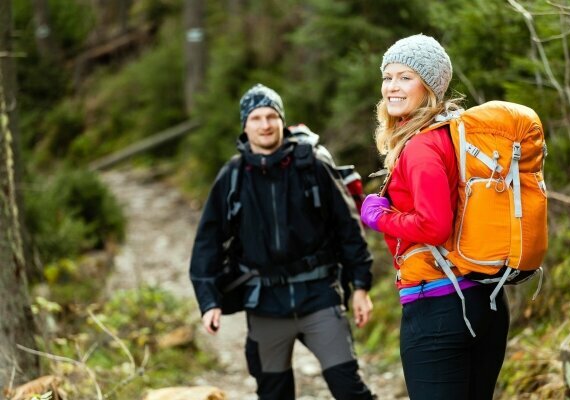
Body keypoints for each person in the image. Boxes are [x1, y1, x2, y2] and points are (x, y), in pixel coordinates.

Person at [190, 83, 376, 400]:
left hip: (319, 297)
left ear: (282, 121)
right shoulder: (233, 176)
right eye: (256, 118)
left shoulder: (312, 165)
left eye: (271, 116)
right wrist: (209, 301)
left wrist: (359, 286)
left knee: (349, 390)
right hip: (264, 305)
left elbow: (348, 227)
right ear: (245, 125)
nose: (265, 125)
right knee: (273, 395)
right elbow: (207, 242)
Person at [360, 34, 510, 400]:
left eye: (405, 77)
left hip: (440, 308)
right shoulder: (455, 135)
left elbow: (434, 225)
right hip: (485, 300)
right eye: (388, 76)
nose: (392, 87)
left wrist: (380, 218)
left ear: (429, 86)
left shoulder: (422, 146)